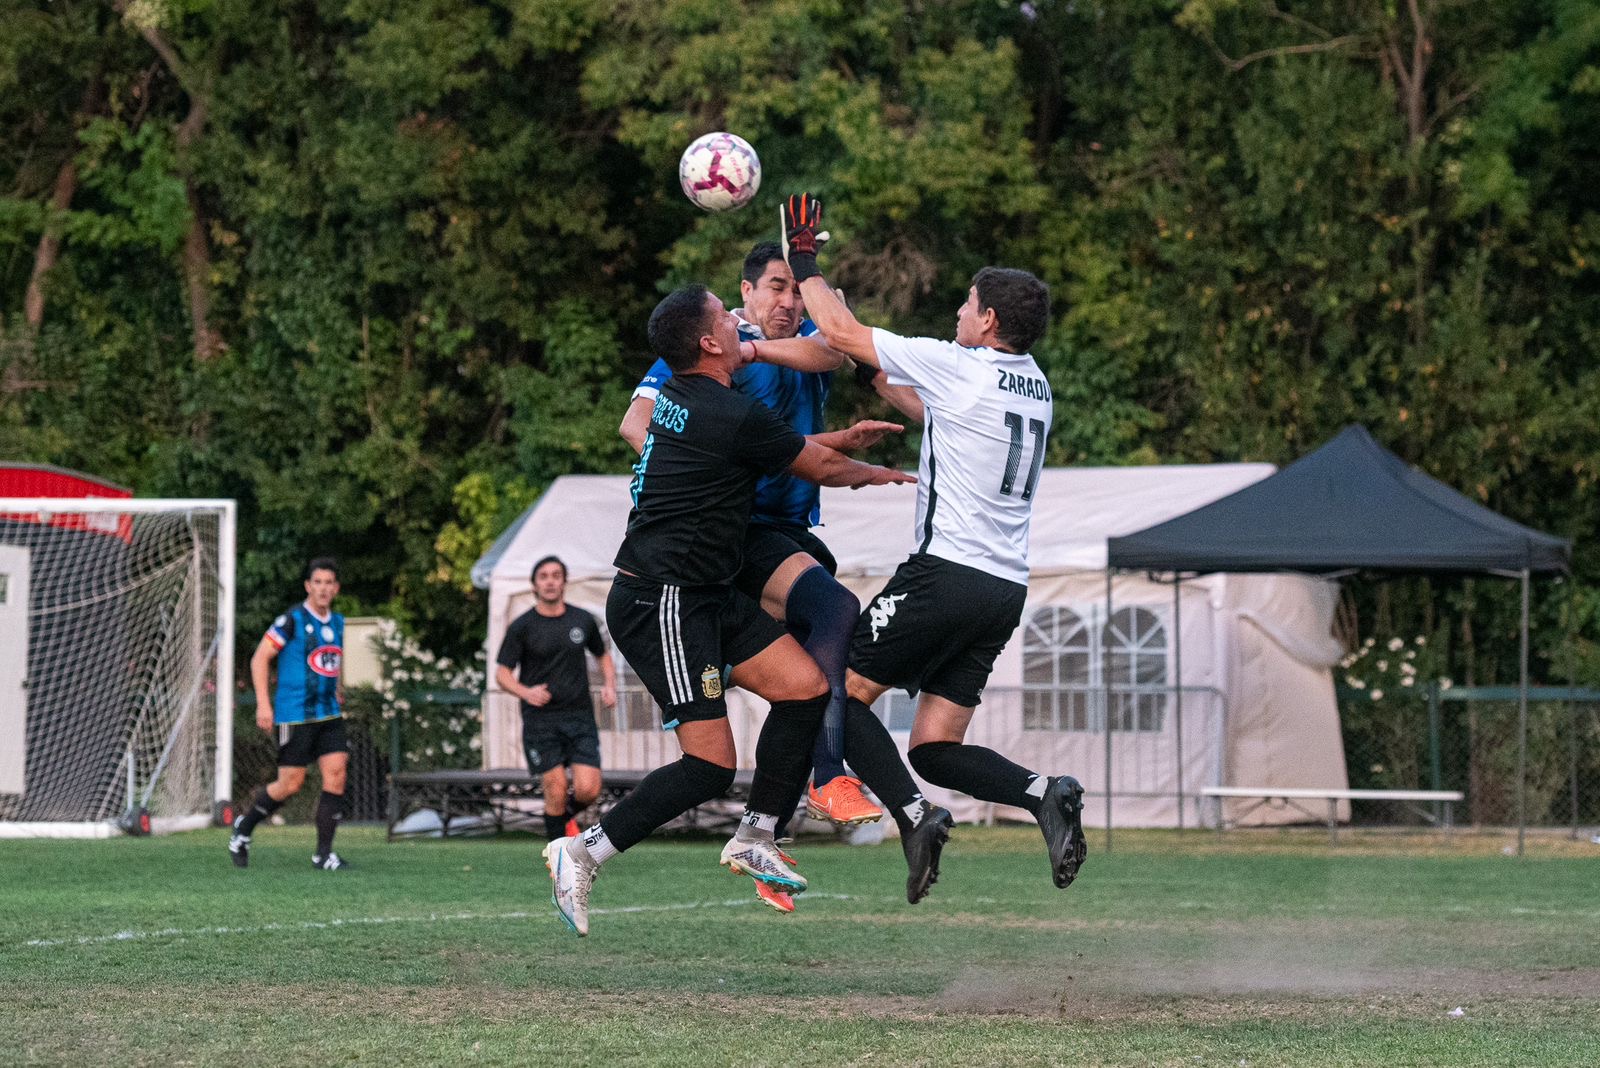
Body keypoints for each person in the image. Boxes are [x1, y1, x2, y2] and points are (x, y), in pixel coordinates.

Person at [542, 283, 914, 936]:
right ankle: (580, 850)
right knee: (711, 765)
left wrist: (836, 444)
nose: (739, 320)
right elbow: (816, 466)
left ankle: (756, 833)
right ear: (711, 344)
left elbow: (766, 445)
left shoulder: (692, 400)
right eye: (727, 315)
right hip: (663, 602)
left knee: (804, 687)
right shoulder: (724, 411)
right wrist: (881, 474)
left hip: (709, 595)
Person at [761, 192, 1087, 903]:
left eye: (968, 306)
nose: (959, 315)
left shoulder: (961, 365)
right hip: (1003, 589)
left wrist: (804, 251)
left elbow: (843, 331)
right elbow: (918, 400)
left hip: (945, 575)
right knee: (936, 746)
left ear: (990, 319)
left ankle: (914, 817)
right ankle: (1042, 793)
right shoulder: (1034, 385)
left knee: (832, 691)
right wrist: (870, 369)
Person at [229, 557, 351, 871]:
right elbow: (260, 659)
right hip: (295, 715)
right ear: (308, 586)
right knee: (290, 784)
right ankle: (244, 827)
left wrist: (337, 686)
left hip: (329, 715)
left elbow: (330, 661)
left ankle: (323, 854)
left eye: (329, 583)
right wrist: (263, 704)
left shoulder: (337, 622)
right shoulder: (292, 620)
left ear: (335, 588)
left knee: (337, 774)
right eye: (318, 582)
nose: (323, 589)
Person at [495, 555, 617, 842]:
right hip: (541, 721)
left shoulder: (582, 620)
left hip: (579, 717)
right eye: (544, 576)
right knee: (556, 787)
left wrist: (609, 684)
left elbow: (603, 655)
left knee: (589, 789)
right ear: (535, 584)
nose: (550, 581)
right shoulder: (522, 626)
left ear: (563, 582)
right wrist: (526, 691)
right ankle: (558, 855)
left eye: (555, 575)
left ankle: (559, 822)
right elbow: (502, 674)